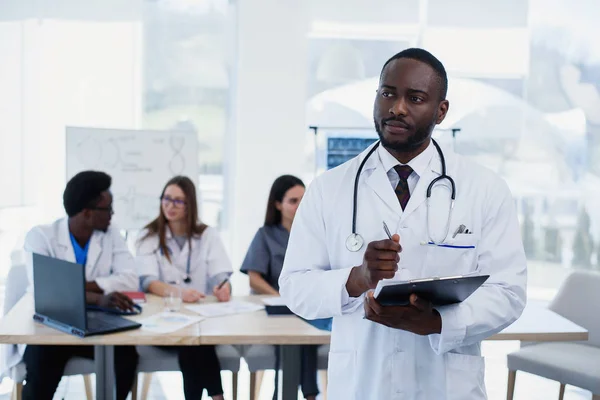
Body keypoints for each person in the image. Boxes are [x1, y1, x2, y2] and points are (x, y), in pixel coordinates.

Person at [279, 48, 527, 400]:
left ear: (441, 111)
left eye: (415, 97)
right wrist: (355, 279)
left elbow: (509, 292)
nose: (397, 107)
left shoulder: (483, 189)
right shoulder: (329, 188)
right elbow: (294, 287)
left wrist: (440, 323)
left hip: (445, 385)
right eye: (388, 93)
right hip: (362, 384)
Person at [21, 170, 139, 400]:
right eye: (108, 209)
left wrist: (77, 286)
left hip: (99, 324)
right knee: (39, 369)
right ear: (87, 213)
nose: (112, 214)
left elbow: (130, 278)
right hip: (55, 326)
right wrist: (99, 296)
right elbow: (47, 291)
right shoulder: (41, 237)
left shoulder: (111, 235)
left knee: (127, 358)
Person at [135, 176, 232, 400]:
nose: (170, 205)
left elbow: (222, 276)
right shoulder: (148, 236)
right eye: (167, 199)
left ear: (190, 205)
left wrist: (223, 287)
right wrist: (180, 293)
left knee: (194, 340)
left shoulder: (207, 235)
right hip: (162, 322)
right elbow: (148, 282)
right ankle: (218, 397)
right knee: (193, 343)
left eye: (178, 201)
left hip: (200, 322)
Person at [241, 175, 320, 400]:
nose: (299, 206)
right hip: (276, 310)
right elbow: (253, 278)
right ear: (278, 204)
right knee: (294, 338)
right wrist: (282, 296)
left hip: (306, 308)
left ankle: (306, 395)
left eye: (303, 200)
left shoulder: (315, 234)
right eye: (293, 201)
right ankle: (297, 395)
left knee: (306, 335)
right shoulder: (265, 235)